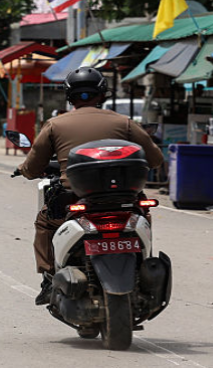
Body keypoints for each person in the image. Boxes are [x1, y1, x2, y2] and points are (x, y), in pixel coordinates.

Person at [16, 66, 164, 305]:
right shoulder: (124, 122)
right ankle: (143, 259)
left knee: (44, 222)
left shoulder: (55, 125)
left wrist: (23, 170)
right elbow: (156, 159)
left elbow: (32, 168)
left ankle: (48, 278)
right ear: (102, 93)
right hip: (124, 199)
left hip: (74, 198)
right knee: (142, 212)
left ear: (68, 95)